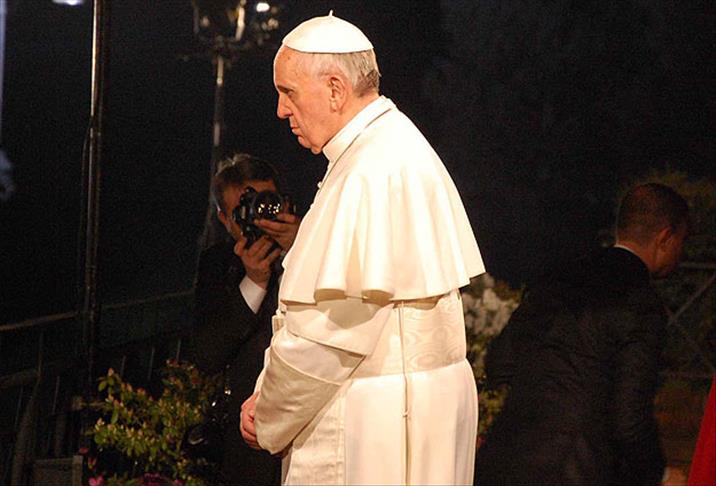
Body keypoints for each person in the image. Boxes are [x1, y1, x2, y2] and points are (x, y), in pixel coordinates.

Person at [239, 12, 486, 486]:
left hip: (375, 429)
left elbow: (323, 341)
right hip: (410, 412)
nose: (281, 110)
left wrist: (266, 413)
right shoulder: (391, 145)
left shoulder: (368, 170)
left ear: (335, 89)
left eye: (288, 92)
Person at [474, 183, 690, 486]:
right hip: (577, 471)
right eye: (682, 241)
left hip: (503, 463)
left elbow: (500, 363)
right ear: (666, 238)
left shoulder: (557, 279)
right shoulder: (642, 304)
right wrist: (660, 474)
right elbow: (629, 418)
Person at [191, 153, 298, 485]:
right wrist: (254, 282)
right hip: (248, 445)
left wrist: (299, 249)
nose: (259, 220)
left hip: (308, 428)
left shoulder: (315, 248)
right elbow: (206, 355)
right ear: (225, 220)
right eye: (245, 211)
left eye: (266, 205)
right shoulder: (219, 265)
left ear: (284, 203)